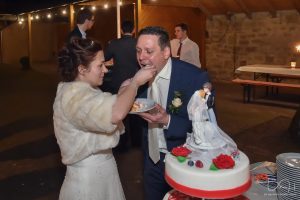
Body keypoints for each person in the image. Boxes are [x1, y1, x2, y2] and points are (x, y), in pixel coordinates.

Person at [53, 38, 156, 200]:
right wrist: (135, 83)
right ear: (82, 69)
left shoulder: (79, 90)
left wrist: (124, 90)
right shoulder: (75, 96)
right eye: (100, 65)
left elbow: (101, 110)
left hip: (100, 172)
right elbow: (114, 114)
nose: (105, 70)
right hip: (89, 180)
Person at [135, 26, 210, 200]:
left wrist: (167, 119)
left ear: (166, 52)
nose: (141, 57)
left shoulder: (195, 78)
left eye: (148, 51)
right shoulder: (139, 77)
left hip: (183, 161)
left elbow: (206, 126)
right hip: (150, 159)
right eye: (138, 51)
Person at [104, 20, 141, 150]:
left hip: (118, 82)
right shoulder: (138, 43)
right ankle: (137, 142)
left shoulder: (114, 43)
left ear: (121, 30)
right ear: (133, 30)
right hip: (135, 81)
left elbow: (104, 57)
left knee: (121, 113)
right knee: (136, 112)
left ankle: (122, 144)